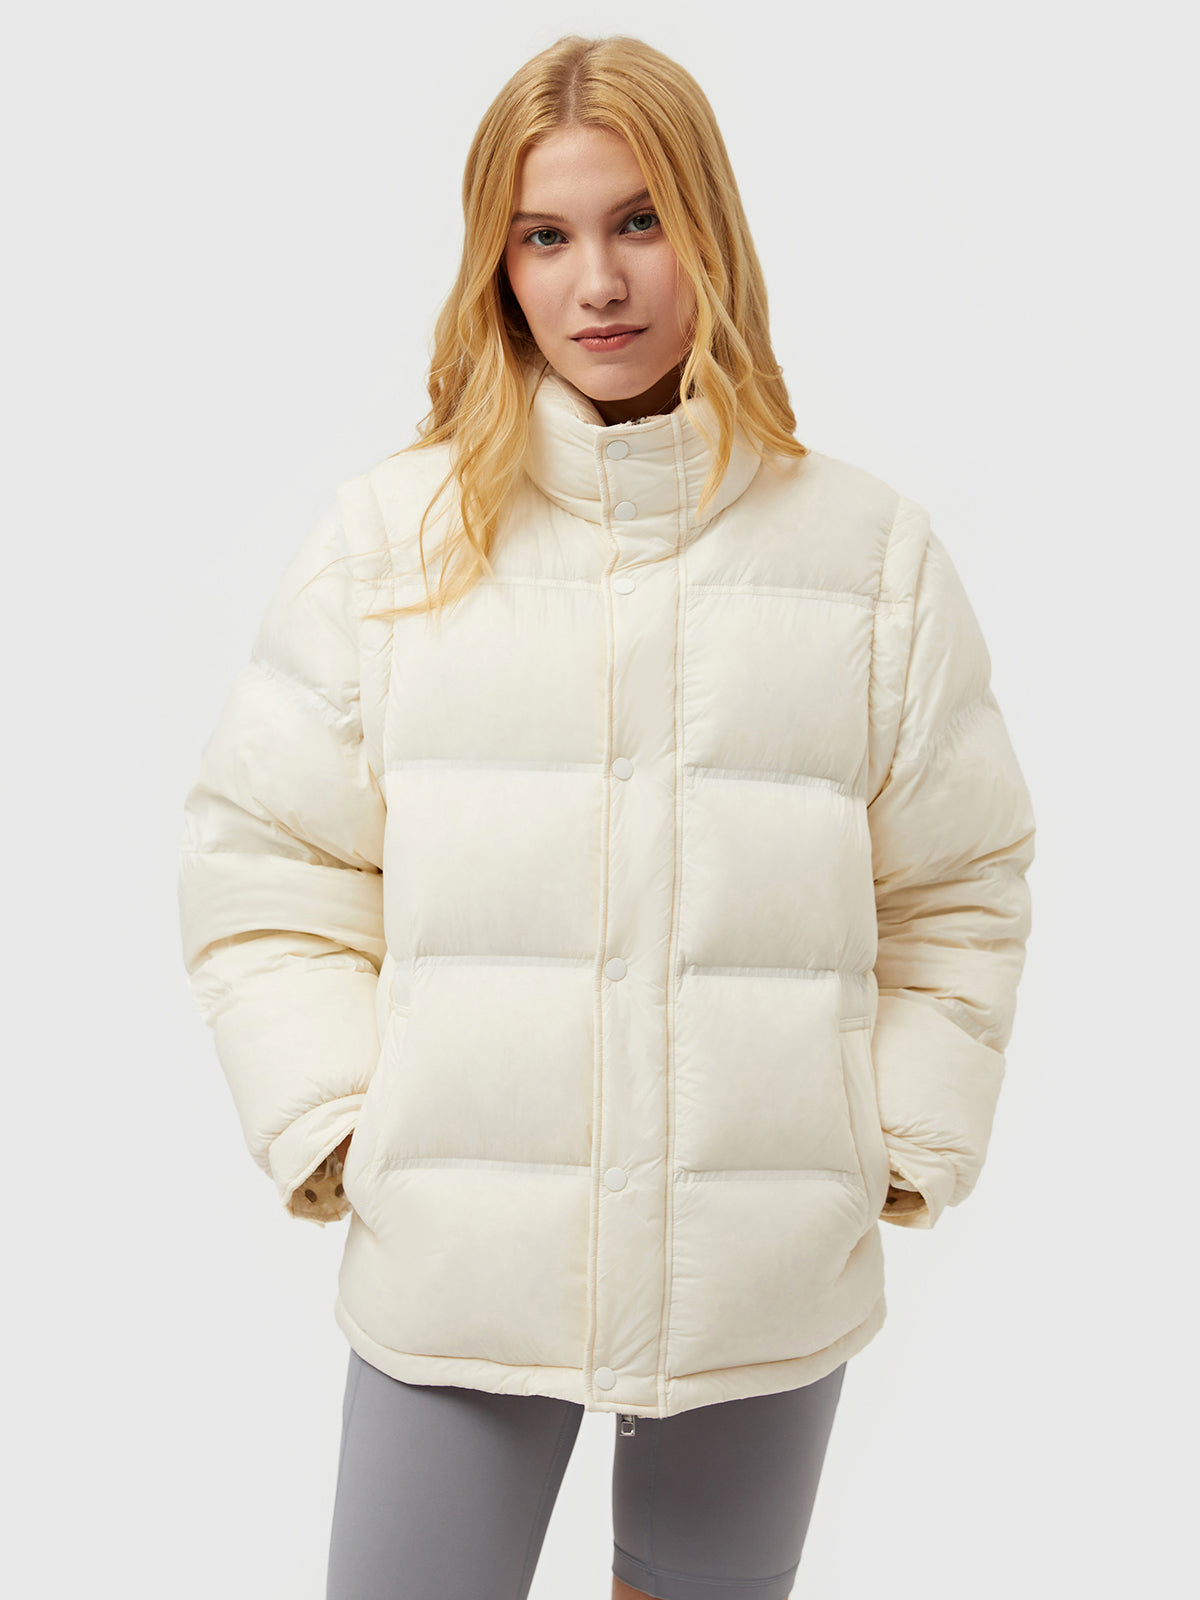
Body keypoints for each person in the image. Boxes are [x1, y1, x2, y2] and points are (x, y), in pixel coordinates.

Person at [177, 31, 1036, 1600]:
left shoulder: (870, 561)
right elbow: (268, 865)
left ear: (709, 229)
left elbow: (958, 885)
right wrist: (357, 1128)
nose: (599, 283)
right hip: (458, 1260)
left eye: (640, 221)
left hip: (760, 1270)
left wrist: (885, 1144)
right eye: (546, 236)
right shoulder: (390, 545)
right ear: (496, 265)